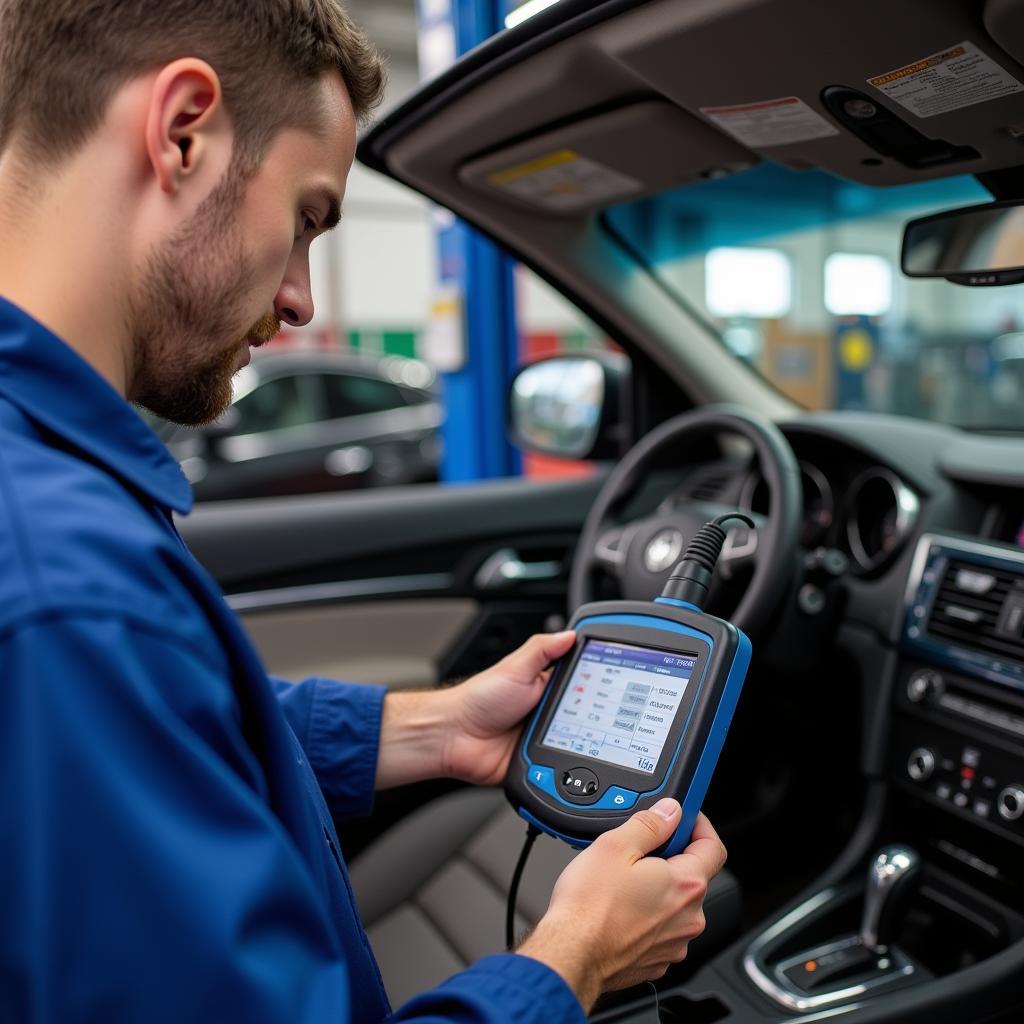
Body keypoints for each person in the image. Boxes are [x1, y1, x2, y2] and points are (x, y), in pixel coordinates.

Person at [0, 1, 727, 1021]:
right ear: (181, 133)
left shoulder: (48, 511)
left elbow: (173, 726)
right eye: (305, 217)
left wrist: (434, 728)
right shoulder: (66, 589)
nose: (299, 299)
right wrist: (574, 958)